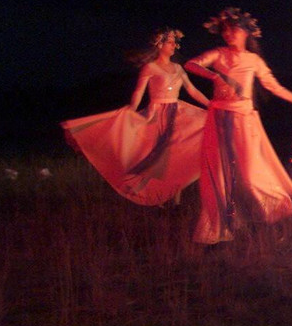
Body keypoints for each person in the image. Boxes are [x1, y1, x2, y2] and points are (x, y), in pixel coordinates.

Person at [184, 8, 292, 245]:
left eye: (234, 30)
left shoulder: (253, 60)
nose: (229, 35)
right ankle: (218, 229)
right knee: (218, 173)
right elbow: (191, 64)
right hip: (218, 117)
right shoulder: (218, 54)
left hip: (244, 119)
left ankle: (276, 215)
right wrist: (216, 77)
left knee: (250, 173)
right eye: (226, 31)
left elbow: (274, 87)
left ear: (246, 33)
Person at [61, 27, 209, 205]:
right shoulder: (150, 67)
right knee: (155, 156)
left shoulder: (178, 68)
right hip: (157, 113)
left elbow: (192, 90)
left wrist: (211, 106)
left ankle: (172, 198)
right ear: (159, 44)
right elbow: (139, 92)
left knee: (175, 153)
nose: (174, 45)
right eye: (169, 42)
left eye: (174, 42)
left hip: (178, 112)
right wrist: (131, 110)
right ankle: (146, 189)